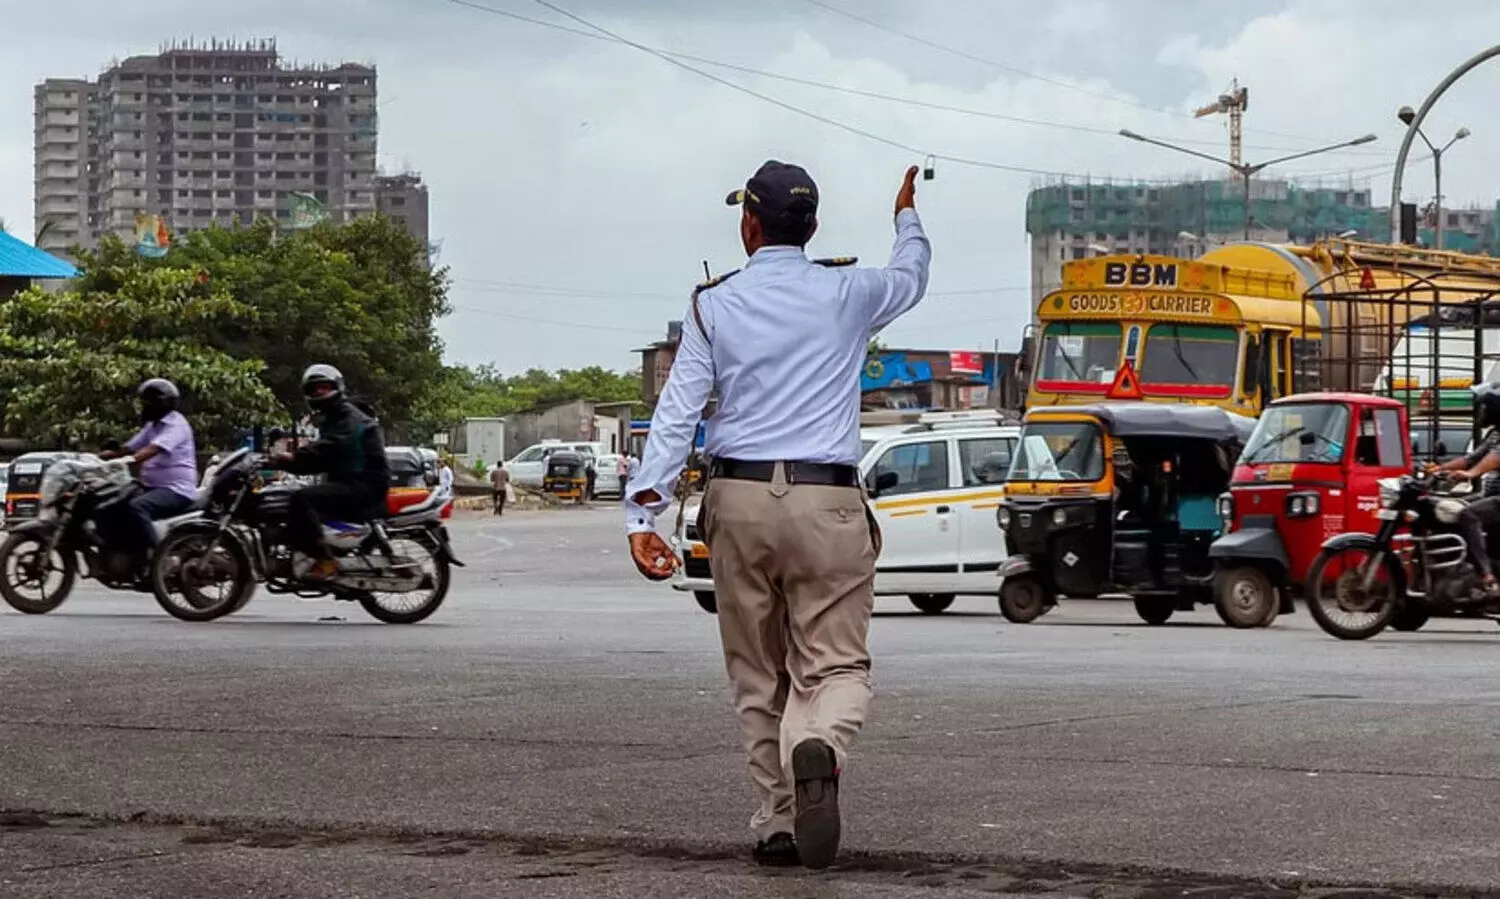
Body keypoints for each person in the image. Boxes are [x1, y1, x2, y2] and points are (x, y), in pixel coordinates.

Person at [625, 161, 929, 869]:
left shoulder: (713, 304)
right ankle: (816, 746)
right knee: (837, 665)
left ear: (748, 225)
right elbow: (911, 275)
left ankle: (777, 819)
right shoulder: (850, 290)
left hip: (738, 501)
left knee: (758, 674)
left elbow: (678, 416)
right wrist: (907, 216)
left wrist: (645, 515)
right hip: (828, 501)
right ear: (813, 227)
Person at [271, 364, 390, 580]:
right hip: (351, 481)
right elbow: (323, 459)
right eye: (314, 389)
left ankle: (324, 560)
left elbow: (333, 445)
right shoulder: (333, 418)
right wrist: (287, 464)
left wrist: (297, 456)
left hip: (365, 484)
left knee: (302, 498)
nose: (319, 393)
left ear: (336, 387)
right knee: (296, 497)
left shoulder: (348, 417)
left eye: (324, 387)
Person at [100, 378, 199, 558]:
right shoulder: (153, 425)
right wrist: (97, 458)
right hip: (152, 487)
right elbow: (129, 447)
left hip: (175, 490)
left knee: (137, 507)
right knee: (113, 503)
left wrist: (130, 460)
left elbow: (152, 449)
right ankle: (127, 551)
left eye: (147, 402)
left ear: (159, 403)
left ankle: (157, 557)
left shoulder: (176, 425)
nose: (143, 407)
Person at [1431, 382, 1500, 596]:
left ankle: (1486, 574)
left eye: (1485, 407)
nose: (1481, 411)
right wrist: (1438, 469)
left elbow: (1494, 459)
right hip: (1491, 495)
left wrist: (1471, 474)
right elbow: (1470, 459)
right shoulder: (1495, 434)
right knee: (1447, 507)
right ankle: (1457, 565)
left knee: (1468, 514)